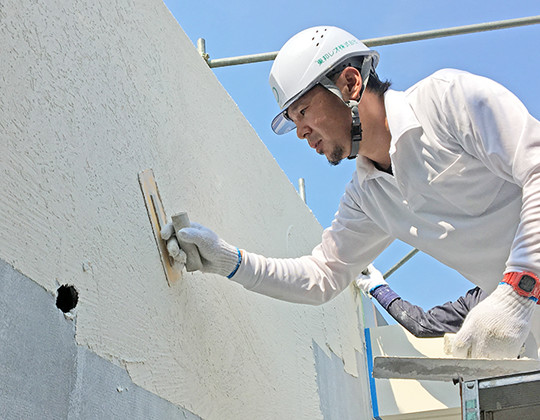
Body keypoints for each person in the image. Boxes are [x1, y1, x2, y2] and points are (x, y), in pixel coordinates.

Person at [162, 26, 540, 359]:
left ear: (349, 84)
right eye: (294, 121)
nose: (301, 132)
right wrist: (231, 261)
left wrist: (517, 291)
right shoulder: (367, 197)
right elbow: (321, 275)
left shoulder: (447, 101)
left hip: (521, 302)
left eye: (304, 111)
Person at [355, 265, 486, 338]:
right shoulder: (480, 298)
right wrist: (379, 289)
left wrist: (378, 288)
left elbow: (423, 325)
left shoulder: (483, 297)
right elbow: (423, 324)